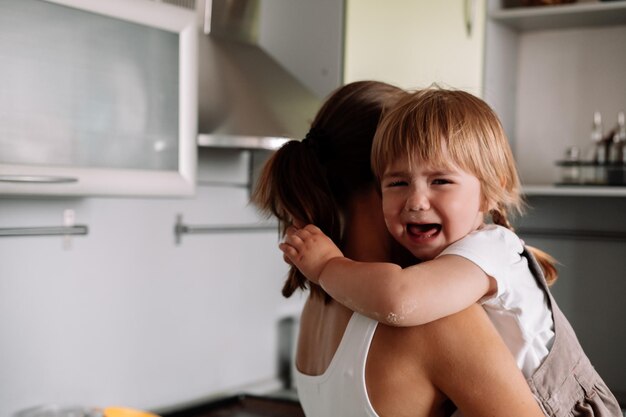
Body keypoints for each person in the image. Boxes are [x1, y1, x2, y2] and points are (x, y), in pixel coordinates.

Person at [280, 87, 622, 416]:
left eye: (440, 180)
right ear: (378, 183)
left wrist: (326, 266)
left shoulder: (324, 299)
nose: (416, 201)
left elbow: (399, 296)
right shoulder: (419, 309)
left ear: (489, 191)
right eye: (398, 182)